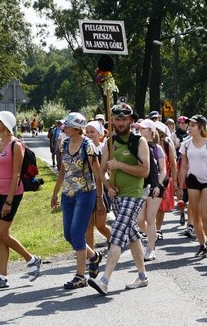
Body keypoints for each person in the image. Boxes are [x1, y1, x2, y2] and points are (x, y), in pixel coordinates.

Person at [88, 103, 150, 295]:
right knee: (131, 235)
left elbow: (144, 170)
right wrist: (108, 186)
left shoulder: (139, 142)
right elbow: (102, 170)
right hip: (117, 196)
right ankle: (142, 277)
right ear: (112, 120)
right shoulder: (109, 142)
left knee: (117, 233)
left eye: (125, 119)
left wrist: (120, 165)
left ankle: (105, 280)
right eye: (117, 119)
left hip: (134, 194)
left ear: (131, 120)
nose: (121, 122)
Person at [0, 111, 41, 290]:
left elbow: (16, 174)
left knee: (1, 234)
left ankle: (31, 259)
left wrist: (8, 201)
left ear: (6, 124)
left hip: (12, 194)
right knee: (2, 237)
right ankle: (2, 276)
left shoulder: (16, 145)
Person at [51, 113, 106, 289]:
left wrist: (100, 199)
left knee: (76, 233)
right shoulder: (65, 143)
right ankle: (94, 257)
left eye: (67, 126)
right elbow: (62, 170)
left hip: (85, 193)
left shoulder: (88, 146)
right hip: (68, 194)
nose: (64, 128)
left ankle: (80, 276)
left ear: (76, 129)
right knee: (68, 234)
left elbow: (97, 174)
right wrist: (55, 193)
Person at [178, 115, 207, 258]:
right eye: (189, 125)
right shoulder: (186, 144)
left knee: (204, 213)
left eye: (193, 125)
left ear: (201, 127)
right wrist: (179, 187)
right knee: (195, 215)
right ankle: (202, 245)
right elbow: (183, 167)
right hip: (193, 180)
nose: (190, 128)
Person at [135, 119, 167, 262]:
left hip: (155, 187)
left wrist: (158, 185)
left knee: (150, 218)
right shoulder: (136, 146)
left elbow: (163, 170)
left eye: (143, 128)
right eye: (139, 128)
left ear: (150, 131)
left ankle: (150, 248)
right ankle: (151, 238)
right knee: (139, 219)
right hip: (140, 186)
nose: (140, 130)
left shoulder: (156, 148)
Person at [84, 120, 112, 250]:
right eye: (87, 132)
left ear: (99, 133)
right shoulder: (83, 147)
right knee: (88, 225)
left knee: (100, 225)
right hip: (87, 188)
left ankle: (114, 241)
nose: (89, 135)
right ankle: (91, 255)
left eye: (92, 132)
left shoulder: (104, 148)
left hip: (102, 189)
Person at [154, 121, 178, 240]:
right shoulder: (144, 143)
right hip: (149, 178)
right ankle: (150, 228)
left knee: (160, 206)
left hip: (164, 178)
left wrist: (174, 183)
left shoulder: (167, 144)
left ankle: (157, 229)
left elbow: (173, 164)